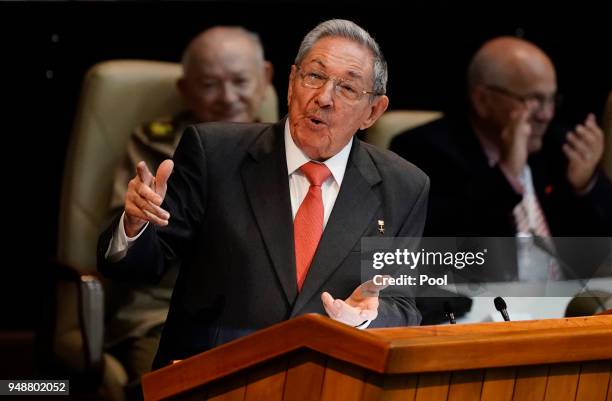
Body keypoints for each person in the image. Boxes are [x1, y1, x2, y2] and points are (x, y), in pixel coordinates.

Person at [98, 19, 429, 370]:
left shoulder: (404, 185)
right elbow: (142, 267)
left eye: (347, 88)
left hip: (330, 374)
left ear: (373, 112)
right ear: (290, 84)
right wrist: (134, 226)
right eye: (314, 77)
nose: (324, 98)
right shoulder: (215, 153)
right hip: (213, 373)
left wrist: (363, 318)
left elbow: (402, 305)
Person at [103, 25, 273, 388]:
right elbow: (130, 245)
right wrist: (137, 221)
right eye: (211, 84)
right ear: (185, 89)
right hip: (164, 314)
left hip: (265, 321)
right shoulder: (157, 147)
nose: (228, 97)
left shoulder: (291, 153)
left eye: (240, 81)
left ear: (266, 79)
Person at [390, 36, 612, 283]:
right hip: (483, 311)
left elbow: (595, 252)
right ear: (483, 100)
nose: (546, 114)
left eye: (551, 99)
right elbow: (439, 256)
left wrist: (586, 186)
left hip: (562, 307)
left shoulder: (558, 147)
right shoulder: (424, 150)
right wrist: (506, 174)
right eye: (534, 100)